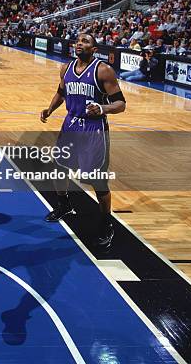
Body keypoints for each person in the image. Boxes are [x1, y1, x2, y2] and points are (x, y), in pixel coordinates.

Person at [40, 33, 126, 249]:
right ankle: (64, 204)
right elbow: (61, 93)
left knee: (96, 179)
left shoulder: (103, 70)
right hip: (70, 124)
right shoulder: (66, 68)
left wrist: (102, 108)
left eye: (85, 41)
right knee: (59, 168)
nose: (79, 43)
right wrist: (50, 109)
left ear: (94, 49)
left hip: (93, 129)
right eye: (78, 40)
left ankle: (107, 223)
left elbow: (121, 104)